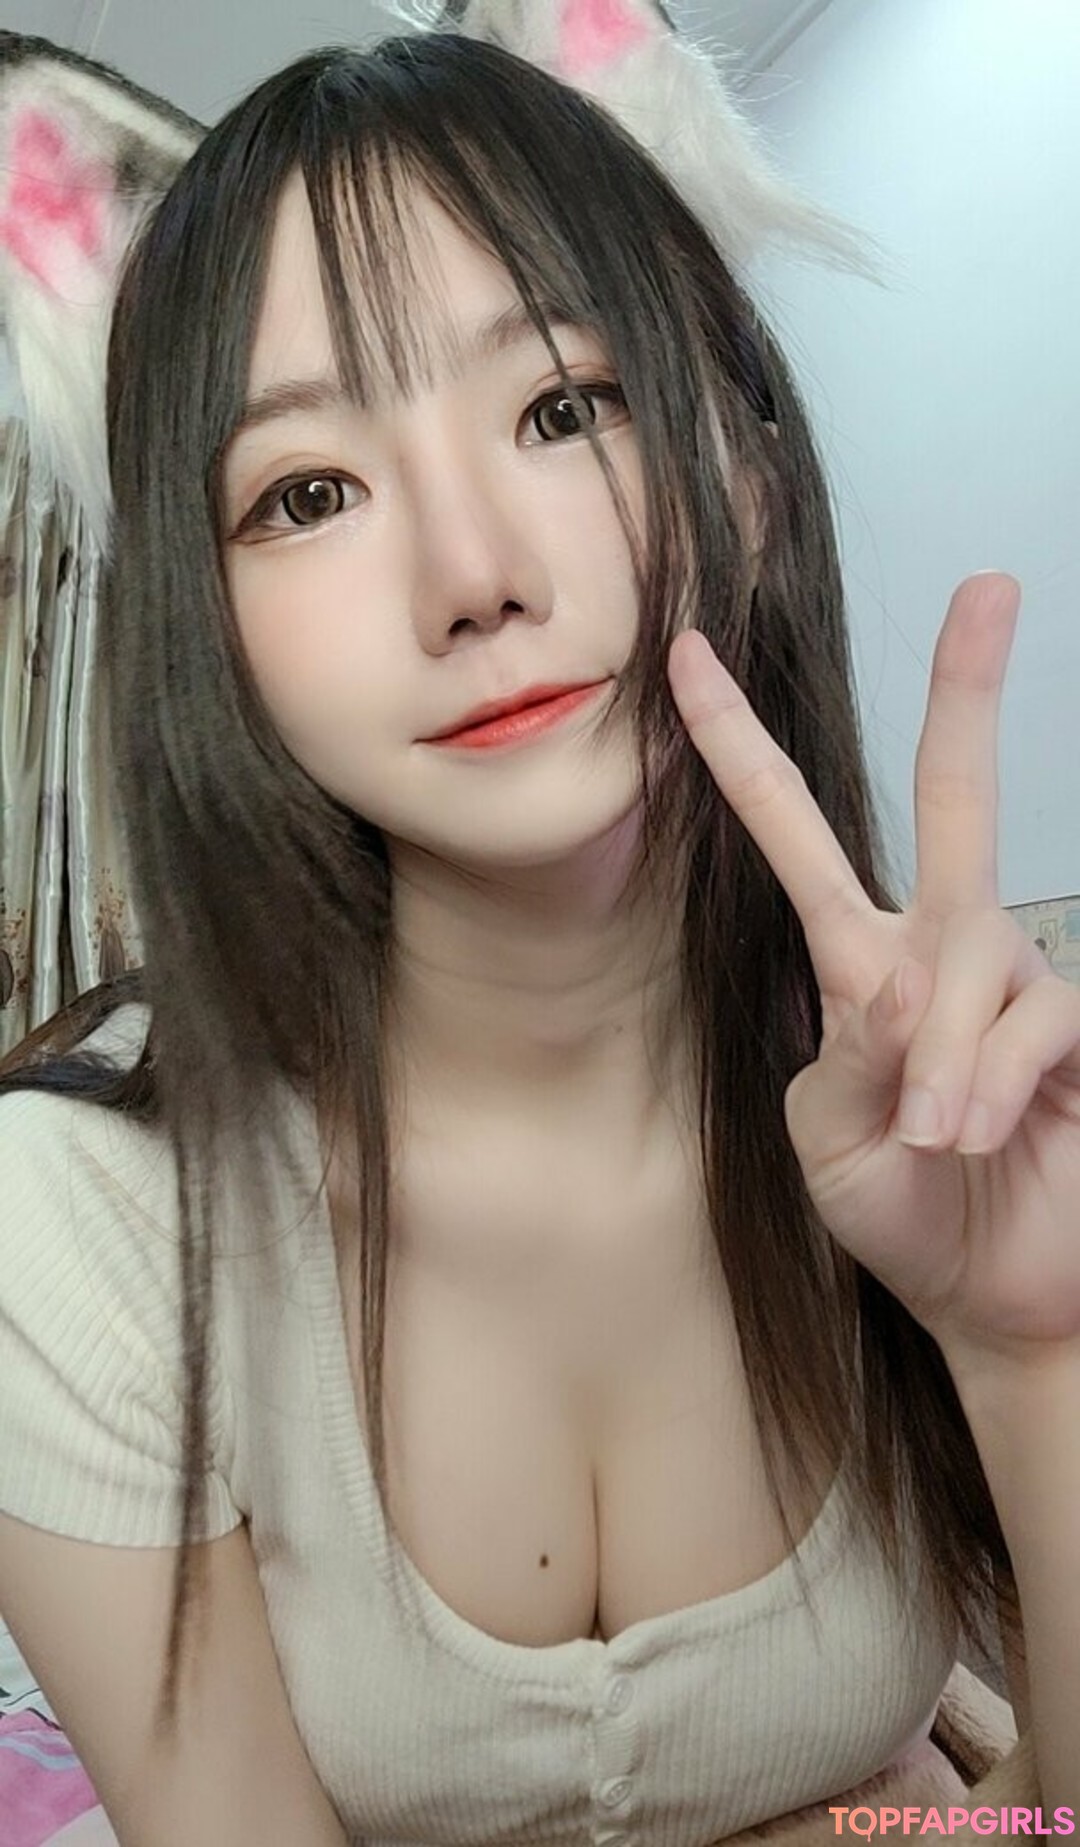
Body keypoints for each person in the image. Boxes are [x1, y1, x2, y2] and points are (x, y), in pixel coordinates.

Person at [0, 17, 1077, 1847]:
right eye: (308, 494)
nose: (473, 576)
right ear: (211, 635)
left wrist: (1037, 1353)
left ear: (746, 479)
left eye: (564, 408)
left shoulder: (948, 1107)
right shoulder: (85, 1218)